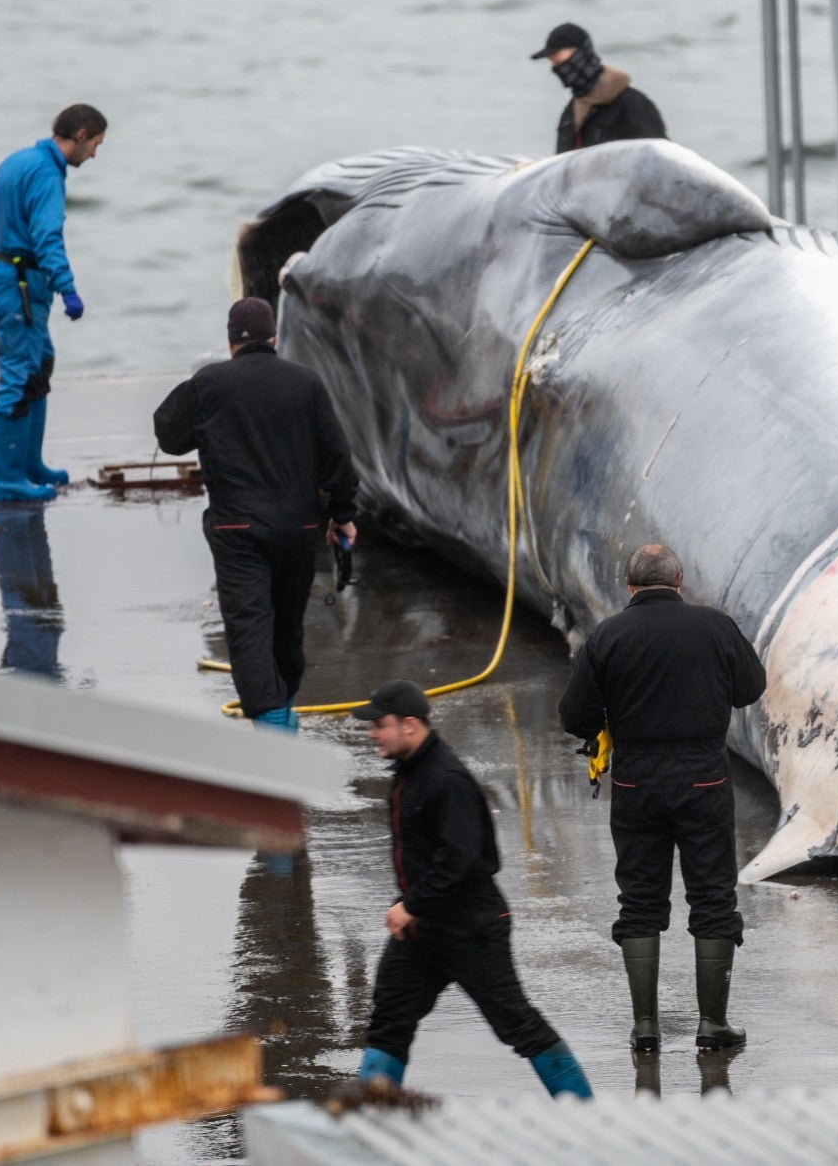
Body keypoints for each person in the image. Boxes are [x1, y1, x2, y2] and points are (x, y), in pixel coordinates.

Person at [557, 543, 766, 1052]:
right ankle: (712, 1025)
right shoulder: (715, 627)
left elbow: (574, 717)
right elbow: (750, 687)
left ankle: (645, 1026)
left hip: (636, 784)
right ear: (679, 581)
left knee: (641, 900)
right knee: (713, 897)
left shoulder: (606, 636)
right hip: (704, 783)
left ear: (629, 587)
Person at [352, 680, 592, 1099]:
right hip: (421, 930)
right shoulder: (411, 773)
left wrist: (412, 902)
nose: (373, 733)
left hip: (472, 928)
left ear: (410, 725)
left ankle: (587, 1113)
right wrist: (410, 903)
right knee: (389, 1021)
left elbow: (460, 858)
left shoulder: (446, 778)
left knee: (516, 1024)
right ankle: (367, 1122)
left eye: (380, 724)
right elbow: (423, 855)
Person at [152, 298, 358, 730]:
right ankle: (281, 709)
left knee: (250, 626)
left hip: (237, 529)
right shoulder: (306, 382)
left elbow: (168, 434)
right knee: (286, 625)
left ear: (230, 343)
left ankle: (273, 725)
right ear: (274, 338)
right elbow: (336, 454)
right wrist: (342, 513)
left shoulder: (210, 383)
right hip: (298, 528)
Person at [0, 104, 107, 502]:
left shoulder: (21, 160)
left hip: (10, 276)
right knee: (19, 376)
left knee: (40, 363)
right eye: (96, 145)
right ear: (82, 133)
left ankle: (30, 466)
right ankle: (7, 480)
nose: (94, 155)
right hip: (17, 281)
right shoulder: (47, 173)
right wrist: (67, 288)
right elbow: (46, 236)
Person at [532, 22, 668, 154]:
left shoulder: (634, 104)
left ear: (581, 53)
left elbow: (661, 161)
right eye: (551, 60)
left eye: (558, 56)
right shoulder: (570, 114)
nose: (554, 64)